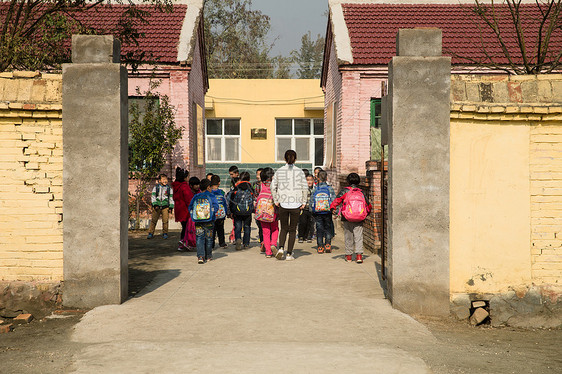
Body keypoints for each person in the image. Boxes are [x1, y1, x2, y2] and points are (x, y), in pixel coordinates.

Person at [271, 150, 307, 261]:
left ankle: (281, 247)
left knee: (283, 228)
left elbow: (273, 187)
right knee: (292, 230)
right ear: (295, 159)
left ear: (284, 159)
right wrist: (304, 201)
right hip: (296, 204)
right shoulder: (300, 171)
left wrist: (276, 200)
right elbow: (304, 187)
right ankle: (289, 254)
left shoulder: (279, 171)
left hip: (283, 203)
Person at [330, 173, 372, 263]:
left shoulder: (345, 191)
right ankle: (359, 256)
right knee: (359, 237)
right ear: (359, 181)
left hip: (347, 217)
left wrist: (332, 208)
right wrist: (366, 213)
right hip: (359, 218)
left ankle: (349, 256)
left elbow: (336, 201)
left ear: (348, 181)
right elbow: (368, 205)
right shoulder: (361, 192)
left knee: (348, 236)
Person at [189, 179, 219, 264]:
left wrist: (194, 216)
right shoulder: (212, 196)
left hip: (198, 221)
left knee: (199, 238)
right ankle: (208, 256)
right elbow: (216, 207)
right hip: (209, 221)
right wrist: (212, 213)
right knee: (209, 238)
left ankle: (200, 256)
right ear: (208, 187)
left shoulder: (196, 196)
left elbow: (190, 207)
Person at [227, 171, 255, 250]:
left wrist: (230, 211)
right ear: (249, 179)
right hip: (247, 212)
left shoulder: (236, 187)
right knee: (247, 227)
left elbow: (230, 199)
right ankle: (246, 243)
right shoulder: (250, 188)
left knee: (238, 227)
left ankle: (238, 239)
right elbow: (254, 199)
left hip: (237, 211)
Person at [255, 167, 278, 258]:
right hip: (273, 211)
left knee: (265, 231)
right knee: (275, 228)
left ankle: (268, 252)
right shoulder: (275, 185)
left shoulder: (260, 185)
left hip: (262, 212)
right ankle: (273, 243)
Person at [310, 170, 336, 254]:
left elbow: (312, 200)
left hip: (318, 212)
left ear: (317, 178)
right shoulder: (329, 188)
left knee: (319, 229)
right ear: (327, 178)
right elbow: (334, 200)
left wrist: (311, 210)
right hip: (327, 212)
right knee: (328, 228)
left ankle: (320, 246)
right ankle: (328, 244)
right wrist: (335, 210)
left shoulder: (315, 188)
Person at [147, 174, 174, 239]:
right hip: (157, 207)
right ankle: (151, 233)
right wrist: (155, 204)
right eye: (163, 179)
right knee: (154, 220)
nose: (165, 181)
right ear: (159, 181)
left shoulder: (169, 189)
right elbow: (153, 197)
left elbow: (171, 198)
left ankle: (165, 233)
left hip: (165, 207)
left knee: (165, 221)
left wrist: (171, 206)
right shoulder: (156, 188)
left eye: (166, 179)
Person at [172, 167, 191, 251]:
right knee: (186, 227)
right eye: (187, 176)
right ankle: (183, 242)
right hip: (185, 210)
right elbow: (189, 199)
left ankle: (183, 243)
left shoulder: (176, 186)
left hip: (179, 209)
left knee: (184, 226)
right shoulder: (184, 187)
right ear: (184, 177)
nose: (188, 178)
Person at [210, 175, 228, 249]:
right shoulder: (222, 193)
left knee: (212, 230)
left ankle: (212, 244)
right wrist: (226, 213)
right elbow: (225, 204)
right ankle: (222, 243)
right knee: (220, 229)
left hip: (212, 214)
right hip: (221, 215)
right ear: (219, 183)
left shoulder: (209, 193)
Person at [183, 176, 200, 249]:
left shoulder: (199, 193)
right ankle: (187, 242)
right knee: (188, 229)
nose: (197, 186)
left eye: (198, 184)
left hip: (198, 214)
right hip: (189, 214)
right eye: (196, 185)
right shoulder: (188, 193)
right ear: (191, 186)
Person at [298, 174, 315, 243]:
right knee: (302, 222)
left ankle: (308, 236)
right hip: (304, 208)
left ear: (313, 181)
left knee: (310, 223)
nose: (309, 182)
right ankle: (301, 236)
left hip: (312, 209)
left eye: (311, 180)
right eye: (307, 180)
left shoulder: (315, 189)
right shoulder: (302, 189)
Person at [252, 168, 264, 251]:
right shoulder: (254, 184)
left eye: (260, 174)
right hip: (257, 206)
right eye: (257, 174)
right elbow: (253, 194)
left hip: (266, 206)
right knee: (259, 224)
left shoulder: (266, 185)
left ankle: (266, 241)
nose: (258, 176)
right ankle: (261, 240)